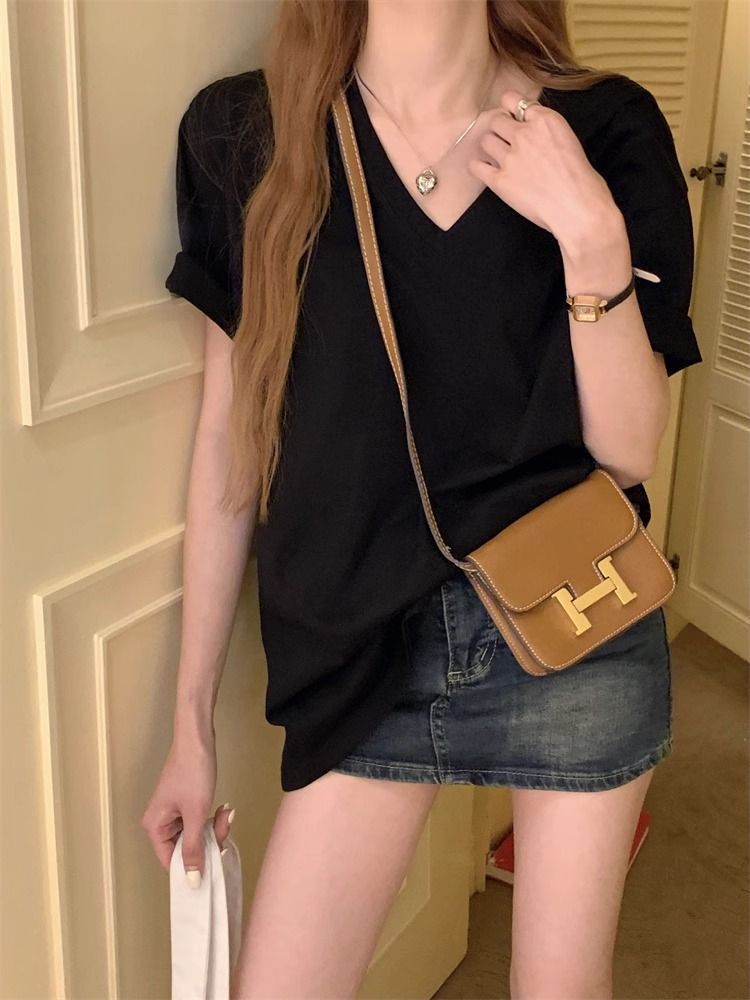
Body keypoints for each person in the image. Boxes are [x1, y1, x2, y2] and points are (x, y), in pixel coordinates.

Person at [142, 1, 703, 996]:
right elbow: (231, 435)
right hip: (358, 648)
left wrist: (590, 233)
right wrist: (191, 722)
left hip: (573, 628)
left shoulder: (604, 125)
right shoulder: (246, 133)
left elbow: (627, 449)